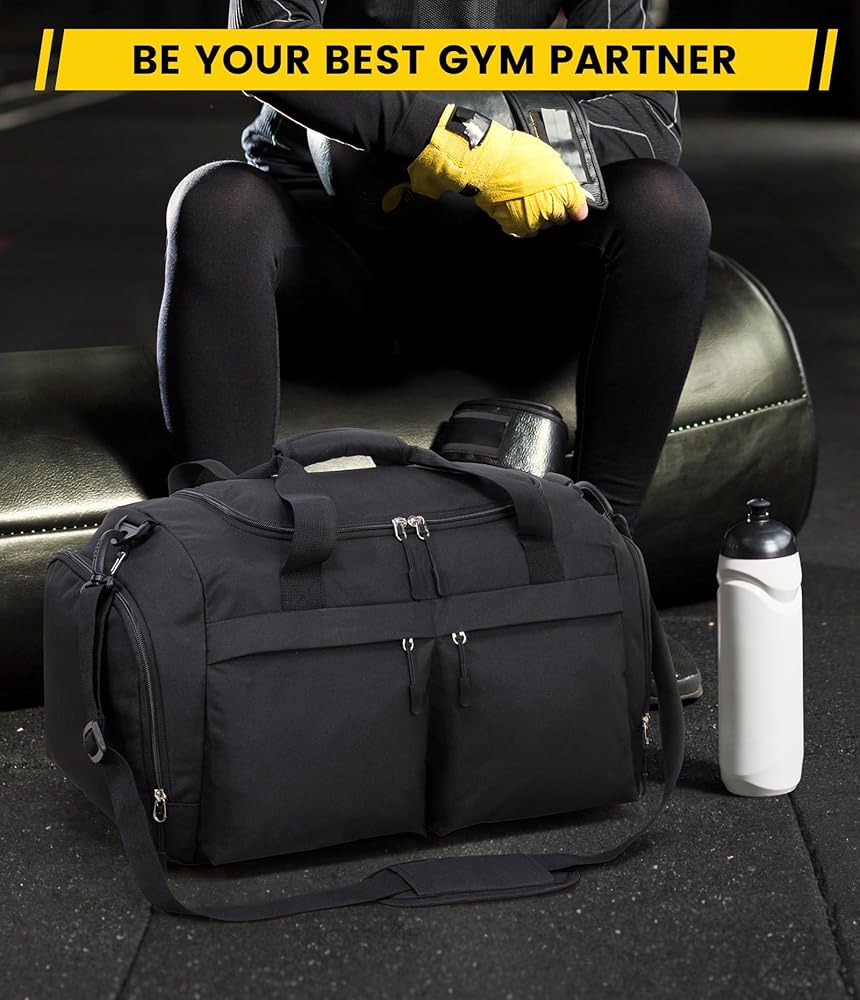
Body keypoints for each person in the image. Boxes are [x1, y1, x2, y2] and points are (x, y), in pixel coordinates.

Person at [156, 0, 711, 701]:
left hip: (509, 244)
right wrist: (438, 134)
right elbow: (270, 47)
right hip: (337, 241)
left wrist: (503, 138)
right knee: (217, 205)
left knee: (665, 210)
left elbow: (647, 111)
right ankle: (231, 590)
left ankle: (607, 568)